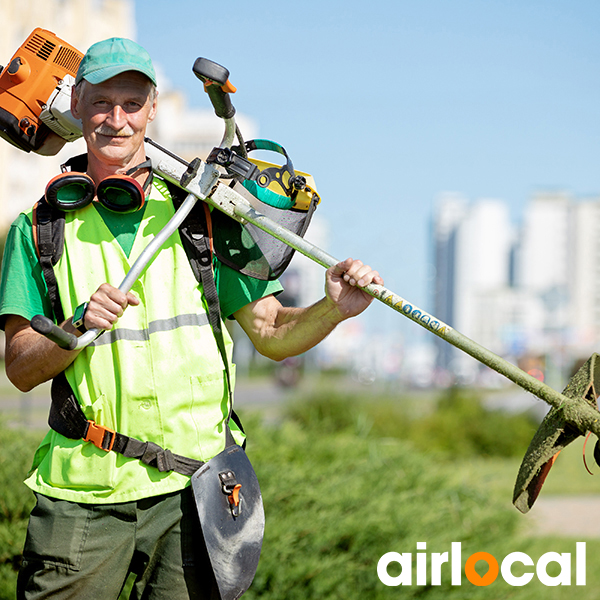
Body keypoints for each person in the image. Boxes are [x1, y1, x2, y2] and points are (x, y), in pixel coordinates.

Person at [0, 38, 383, 600]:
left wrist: (334, 309)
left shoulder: (201, 215)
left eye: (132, 103)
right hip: (83, 498)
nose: (116, 119)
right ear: (75, 103)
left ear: (153, 109)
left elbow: (273, 333)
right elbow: (20, 367)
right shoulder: (35, 231)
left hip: (198, 493)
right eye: (101, 102)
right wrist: (77, 327)